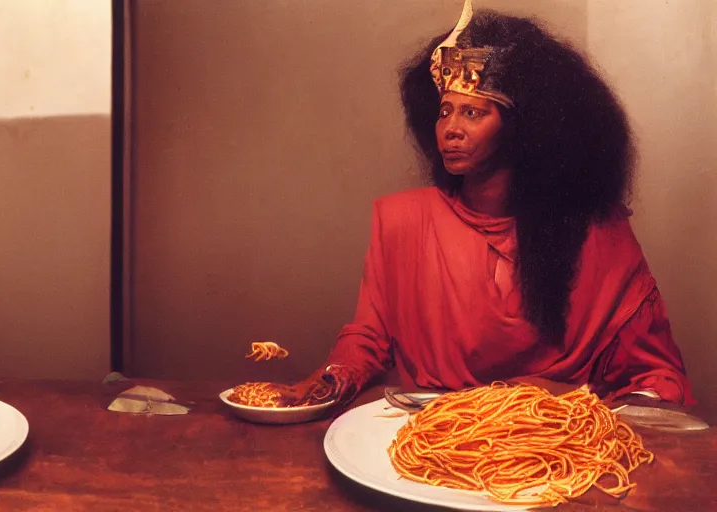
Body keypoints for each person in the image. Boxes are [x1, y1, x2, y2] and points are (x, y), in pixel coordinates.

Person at [273, 1, 695, 408]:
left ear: (520, 130)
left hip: (552, 447)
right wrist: (335, 375)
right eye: (444, 111)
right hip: (432, 438)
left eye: (473, 113)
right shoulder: (403, 221)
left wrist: (553, 398)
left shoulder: (598, 234)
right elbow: (368, 336)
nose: (450, 130)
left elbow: (657, 380)